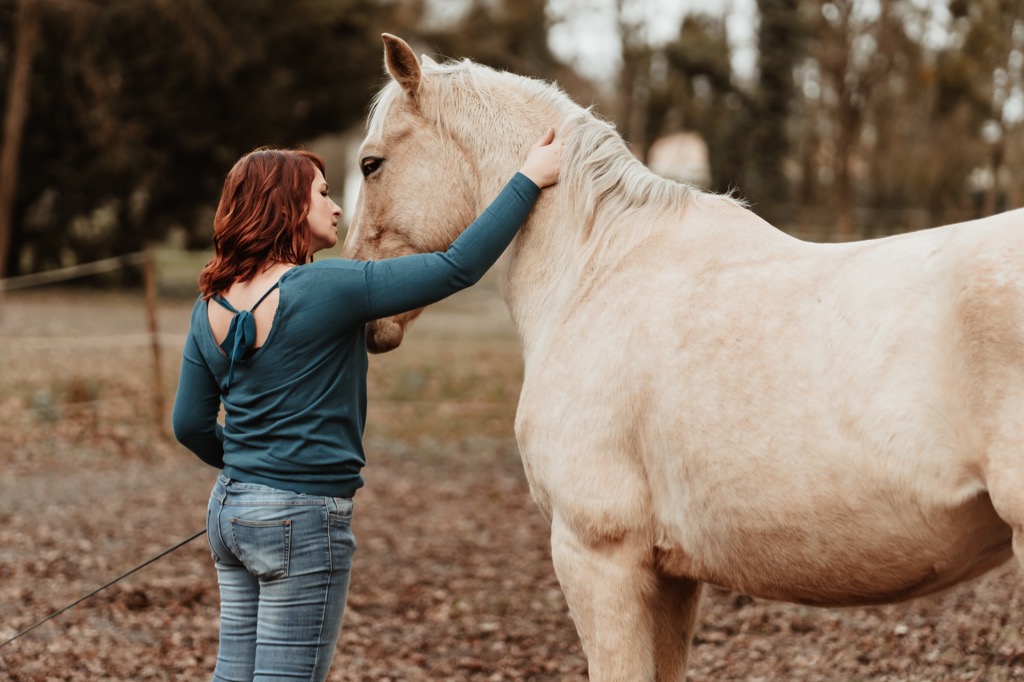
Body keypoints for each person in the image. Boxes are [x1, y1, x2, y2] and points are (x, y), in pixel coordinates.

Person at [171, 128, 562, 681]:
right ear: (286, 206)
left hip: (229, 513)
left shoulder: (208, 305)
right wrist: (528, 179)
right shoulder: (329, 286)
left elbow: (189, 425)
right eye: (323, 193)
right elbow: (455, 268)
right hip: (300, 521)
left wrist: (254, 470)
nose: (336, 207)